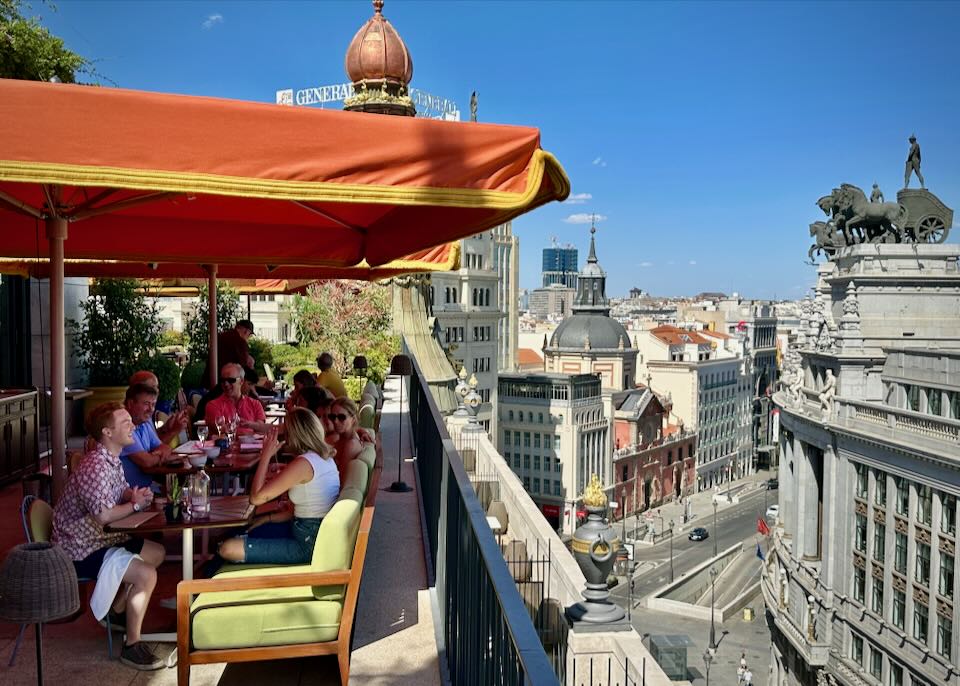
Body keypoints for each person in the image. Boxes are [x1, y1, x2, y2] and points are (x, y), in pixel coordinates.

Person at [52, 402, 166, 671]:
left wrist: (136, 496)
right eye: (125, 422)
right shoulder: (96, 465)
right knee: (146, 574)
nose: (133, 426)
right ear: (107, 432)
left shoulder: (110, 458)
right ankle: (132, 646)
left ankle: (115, 612)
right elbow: (103, 515)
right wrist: (135, 505)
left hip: (100, 539)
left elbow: (121, 491)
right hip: (79, 547)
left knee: (156, 552)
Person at [217, 409, 339, 566]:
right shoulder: (326, 459)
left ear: (293, 435)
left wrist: (265, 456)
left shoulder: (304, 463)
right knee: (238, 532)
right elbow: (301, 509)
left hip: (306, 545)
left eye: (285, 432)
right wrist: (267, 519)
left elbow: (256, 498)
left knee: (227, 548)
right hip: (309, 532)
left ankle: (205, 585)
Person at [120, 383, 184, 490]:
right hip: (130, 494)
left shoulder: (144, 422)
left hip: (147, 488)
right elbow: (146, 462)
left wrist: (155, 455)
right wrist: (160, 457)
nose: (151, 409)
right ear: (130, 403)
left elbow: (163, 447)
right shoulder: (123, 426)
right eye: (146, 403)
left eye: (153, 404)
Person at [128, 370, 189, 444]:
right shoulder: (128, 423)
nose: (157, 390)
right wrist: (174, 430)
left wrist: (166, 427)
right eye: (153, 387)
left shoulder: (145, 415)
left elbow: (153, 440)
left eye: (157, 387)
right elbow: (155, 450)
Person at [204, 362, 267, 428]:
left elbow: (261, 427)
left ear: (241, 381)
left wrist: (250, 424)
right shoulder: (213, 405)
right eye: (222, 380)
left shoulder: (255, 404)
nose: (226, 384)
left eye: (231, 380)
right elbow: (220, 429)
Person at [202, 319, 256, 388]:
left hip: (210, 380)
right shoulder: (240, 342)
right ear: (246, 331)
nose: (248, 338)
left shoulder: (221, 336)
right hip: (227, 384)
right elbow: (243, 365)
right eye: (249, 335)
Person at [329, 397, 364, 482]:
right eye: (333, 417)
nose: (336, 421)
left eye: (341, 417)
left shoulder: (351, 445)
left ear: (353, 419)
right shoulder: (341, 438)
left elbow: (341, 479)